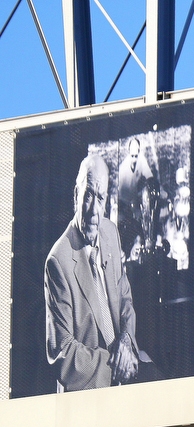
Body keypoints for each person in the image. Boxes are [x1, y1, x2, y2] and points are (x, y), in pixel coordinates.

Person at [44, 153, 139, 391]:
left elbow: (125, 298)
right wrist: (115, 365)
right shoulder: (58, 262)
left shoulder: (111, 233)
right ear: (76, 195)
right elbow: (62, 352)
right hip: (90, 387)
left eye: (101, 198)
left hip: (124, 365)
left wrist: (127, 341)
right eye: (88, 195)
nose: (94, 211)